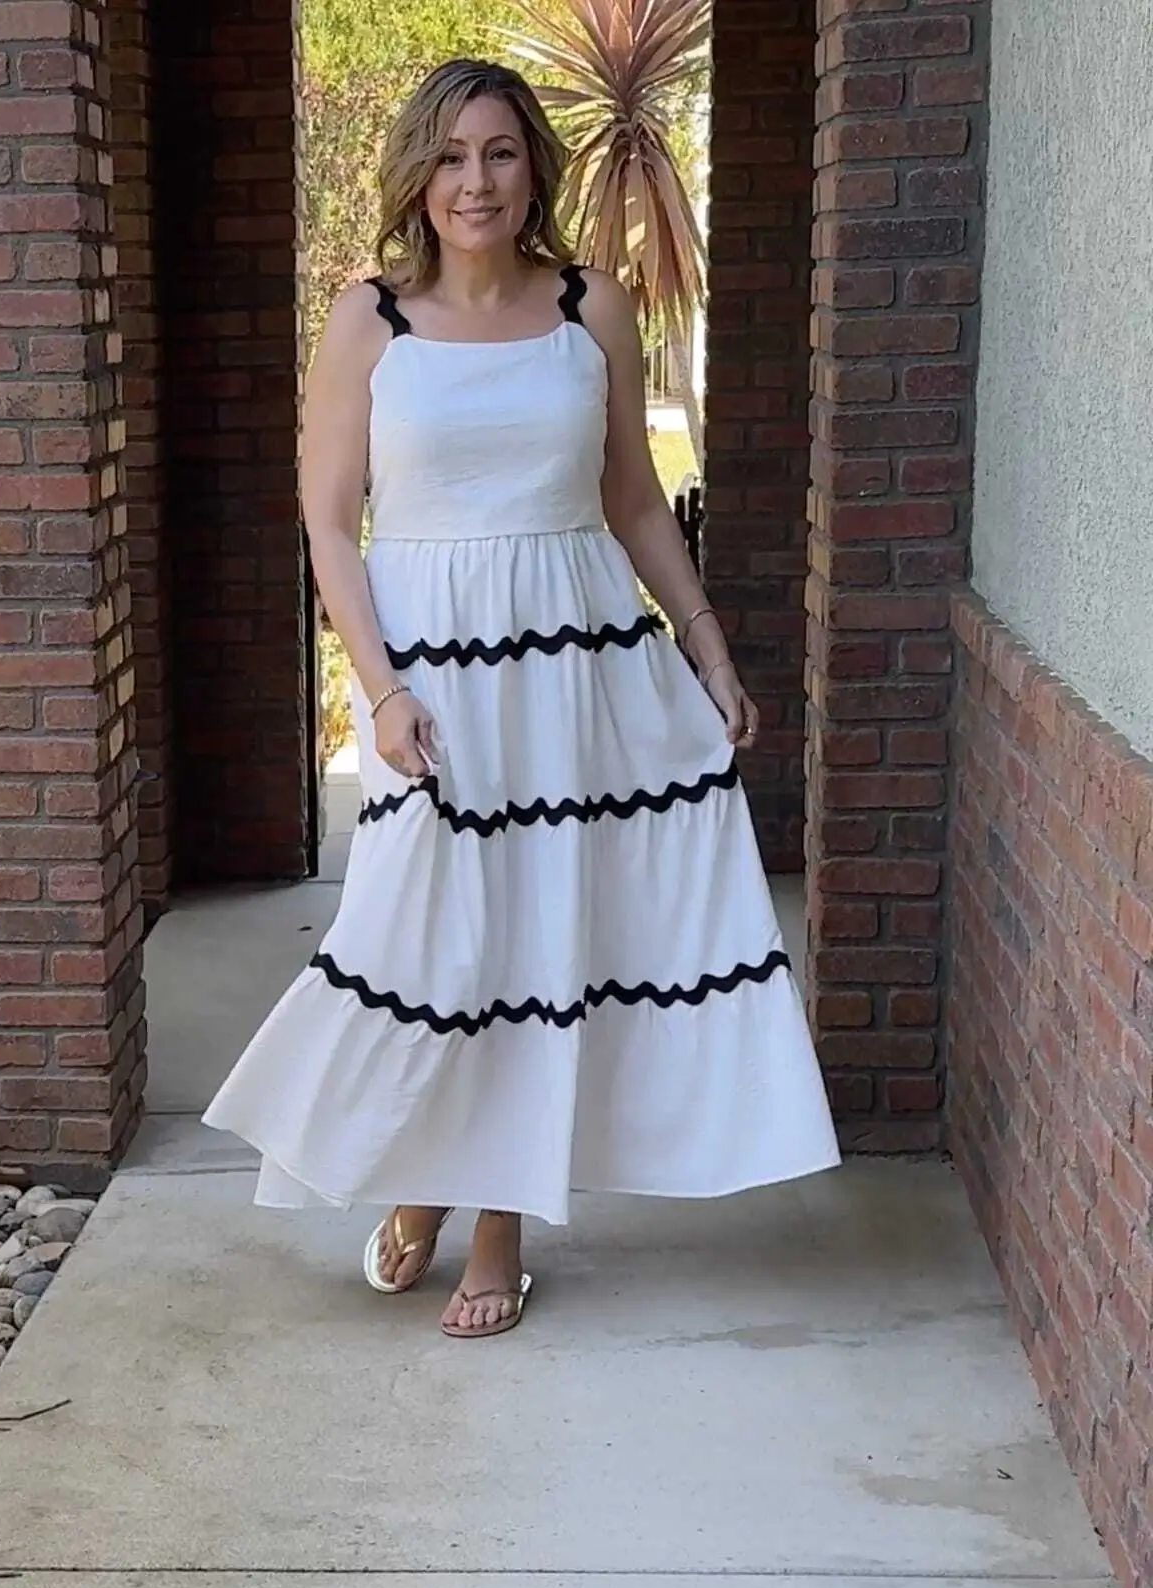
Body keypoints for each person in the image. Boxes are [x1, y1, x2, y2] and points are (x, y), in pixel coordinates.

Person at [204, 58, 841, 1339]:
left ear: (532, 168)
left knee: (539, 942)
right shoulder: (368, 319)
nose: (475, 182)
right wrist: (380, 689)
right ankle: (421, 1177)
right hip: (431, 675)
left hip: (579, 665)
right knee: (426, 941)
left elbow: (632, 498)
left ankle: (497, 1223)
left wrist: (707, 646)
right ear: (417, 174)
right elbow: (328, 525)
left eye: (498, 153)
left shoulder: (590, 306)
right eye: (450, 157)